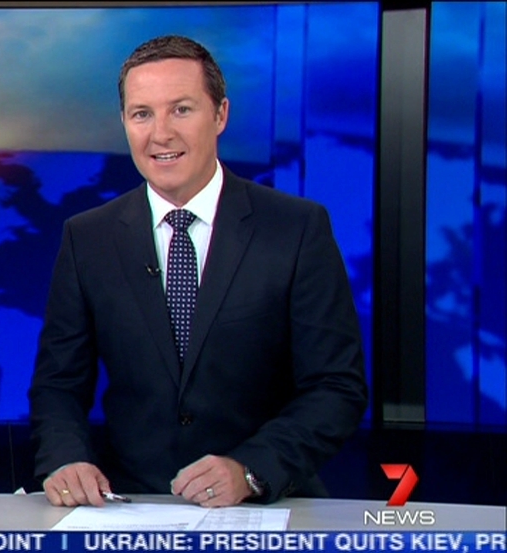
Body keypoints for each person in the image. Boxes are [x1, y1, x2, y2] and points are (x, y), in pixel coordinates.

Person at [28, 35, 368, 508]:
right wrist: (66, 459)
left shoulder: (295, 228)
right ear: (124, 122)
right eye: (142, 114)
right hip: (131, 505)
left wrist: (250, 469)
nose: (160, 134)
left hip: (263, 506)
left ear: (220, 114)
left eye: (181, 110)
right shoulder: (87, 238)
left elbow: (336, 387)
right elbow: (58, 384)